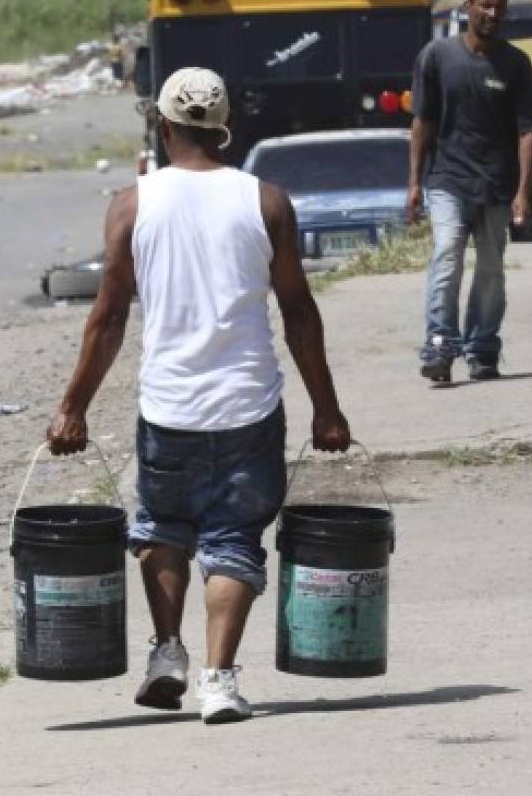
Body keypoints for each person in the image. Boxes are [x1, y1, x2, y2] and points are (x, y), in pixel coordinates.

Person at [46, 67, 350, 724]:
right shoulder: (266, 200)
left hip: (169, 407)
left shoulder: (131, 203)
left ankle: (165, 653)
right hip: (248, 404)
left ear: (161, 125)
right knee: (234, 537)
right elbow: (300, 312)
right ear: (223, 125)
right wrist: (327, 406)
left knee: (162, 527)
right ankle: (219, 679)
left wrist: (73, 405)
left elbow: (108, 318)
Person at [407, 0, 532, 383]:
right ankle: (438, 345)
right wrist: (414, 182)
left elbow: (527, 130)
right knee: (447, 253)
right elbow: (423, 123)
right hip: (447, 179)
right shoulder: (437, 57)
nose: (491, 14)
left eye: (499, 8)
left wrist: (524, 190)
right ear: (467, 6)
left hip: (496, 185)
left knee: (490, 269)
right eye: (484, 5)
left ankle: (482, 348)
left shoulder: (516, 64)